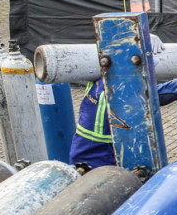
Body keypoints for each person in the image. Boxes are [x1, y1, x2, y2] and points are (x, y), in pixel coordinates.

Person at [69, 33, 165, 169]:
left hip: (86, 151)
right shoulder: (121, 91)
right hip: (99, 156)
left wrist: (139, 36)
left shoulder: (103, 77)